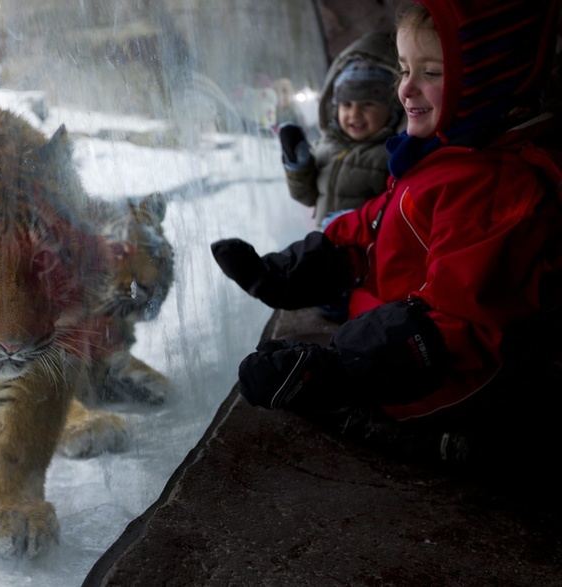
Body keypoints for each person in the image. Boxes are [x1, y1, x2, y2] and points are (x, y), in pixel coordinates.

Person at [211, 0, 562, 465]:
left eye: (432, 73)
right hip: (401, 322)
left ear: (486, 80)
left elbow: (460, 331)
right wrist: (284, 274)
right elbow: (374, 225)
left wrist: (337, 374)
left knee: (338, 405)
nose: (406, 89)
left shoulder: (490, 185)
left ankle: (440, 441)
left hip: (457, 377)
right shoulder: (446, 155)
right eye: (403, 69)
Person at [280, 32, 402, 229]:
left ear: (392, 108)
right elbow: (307, 196)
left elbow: (395, 209)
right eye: (346, 104)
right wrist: (299, 167)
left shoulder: (390, 154)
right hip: (325, 241)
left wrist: (353, 220)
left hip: (365, 249)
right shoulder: (328, 146)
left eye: (368, 104)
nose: (354, 114)